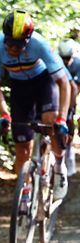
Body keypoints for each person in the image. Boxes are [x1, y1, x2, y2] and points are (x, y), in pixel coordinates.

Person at [0, 10, 70, 200]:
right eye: (10, 44)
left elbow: (63, 82)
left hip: (43, 82)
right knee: (22, 146)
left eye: (19, 45)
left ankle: (58, 165)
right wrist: (3, 114)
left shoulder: (39, 43)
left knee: (52, 123)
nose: (14, 49)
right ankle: (24, 194)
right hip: (19, 87)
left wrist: (62, 118)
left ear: (28, 40)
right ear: (5, 38)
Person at [58, 38, 80, 176]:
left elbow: (76, 88)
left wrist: (70, 106)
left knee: (69, 127)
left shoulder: (78, 65)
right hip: (56, 98)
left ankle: (69, 160)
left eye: (68, 58)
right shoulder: (55, 62)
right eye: (63, 58)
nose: (66, 61)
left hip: (71, 99)